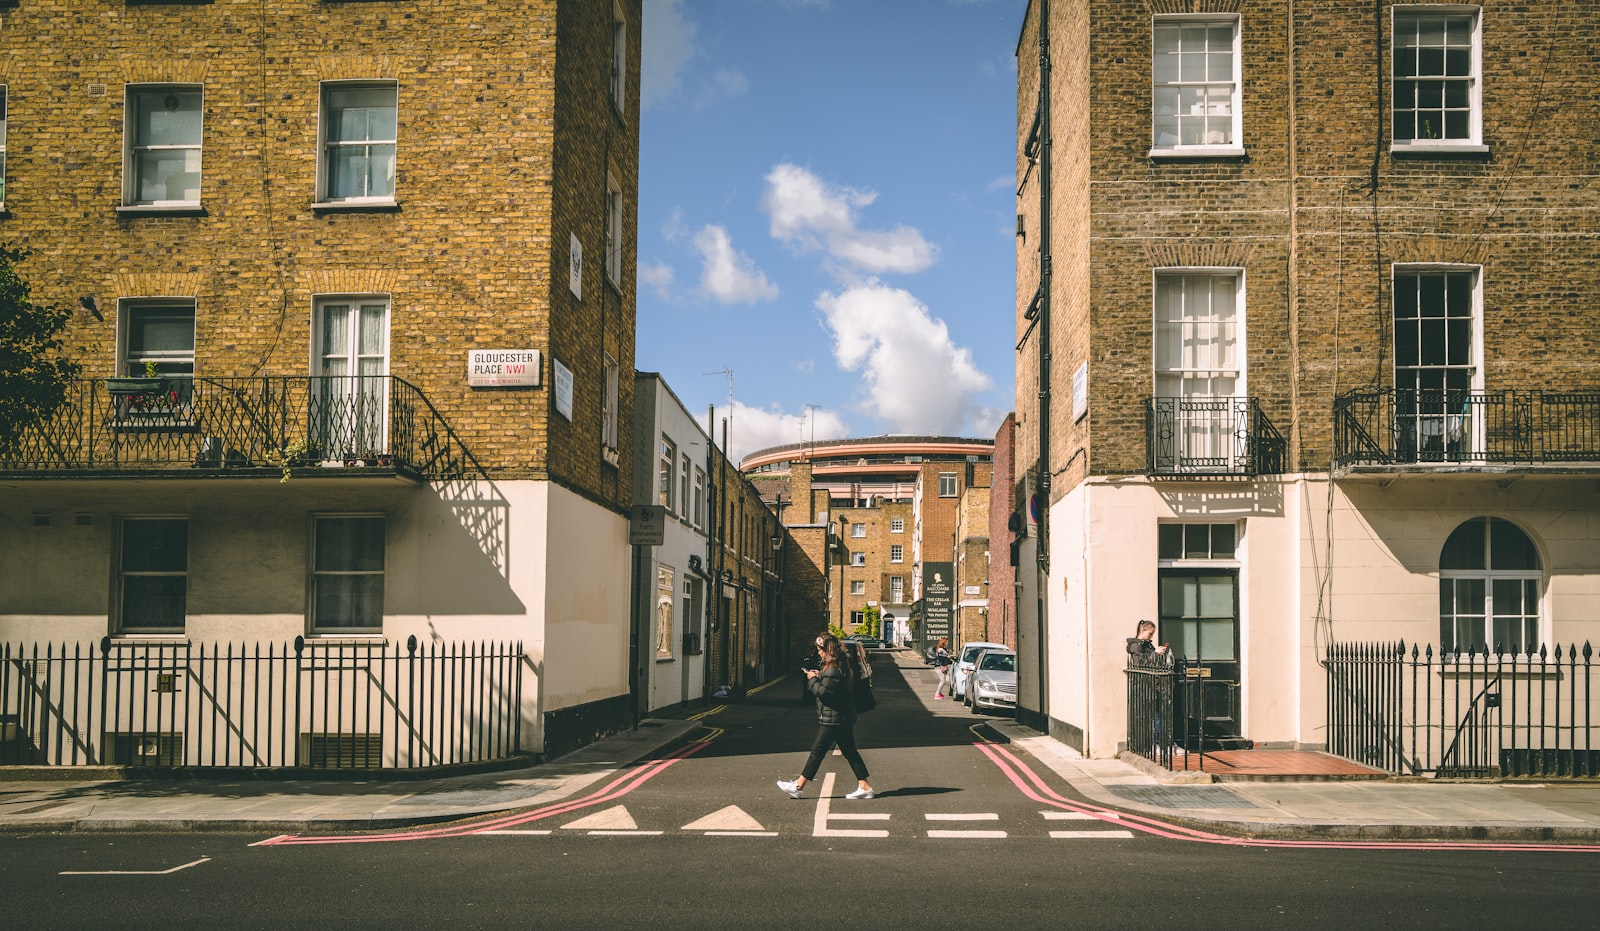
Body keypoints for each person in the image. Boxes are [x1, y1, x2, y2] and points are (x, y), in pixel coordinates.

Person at [777, 634, 875, 801]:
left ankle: (798, 786)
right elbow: (831, 685)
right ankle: (865, 786)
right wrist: (819, 676)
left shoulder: (833, 668)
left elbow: (825, 693)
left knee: (817, 752)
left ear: (827, 650)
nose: (818, 652)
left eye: (820, 649)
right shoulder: (836, 665)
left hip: (834, 717)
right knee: (850, 752)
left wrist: (812, 679)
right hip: (841, 716)